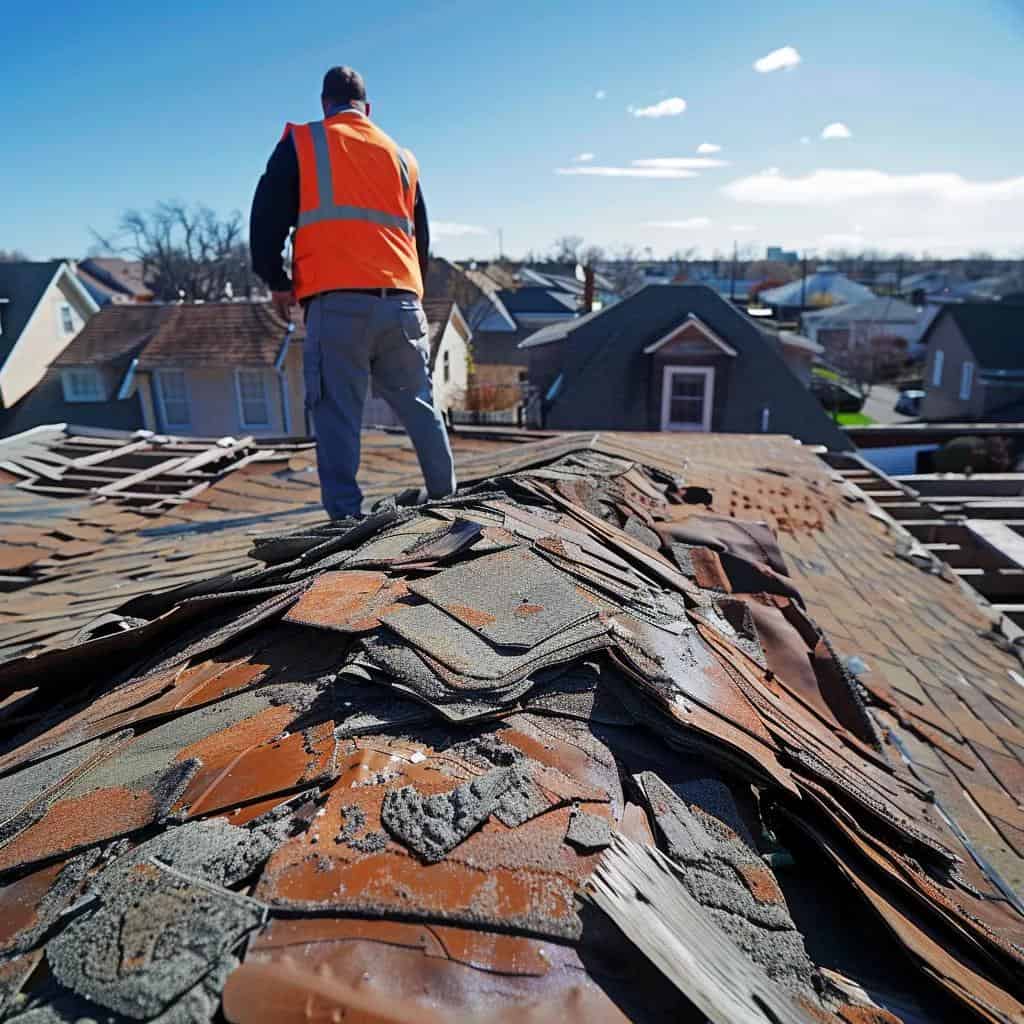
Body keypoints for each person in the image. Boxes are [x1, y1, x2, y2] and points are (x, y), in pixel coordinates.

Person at [250, 65, 456, 519]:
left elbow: (266, 216)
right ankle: (448, 498)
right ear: (369, 108)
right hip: (401, 302)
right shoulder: (402, 158)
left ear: (325, 104)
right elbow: (418, 240)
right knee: (420, 405)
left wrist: (276, 281)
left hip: (336, 304)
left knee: (337, 414)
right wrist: (410, 292)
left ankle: (346, 519)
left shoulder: (304, 144)